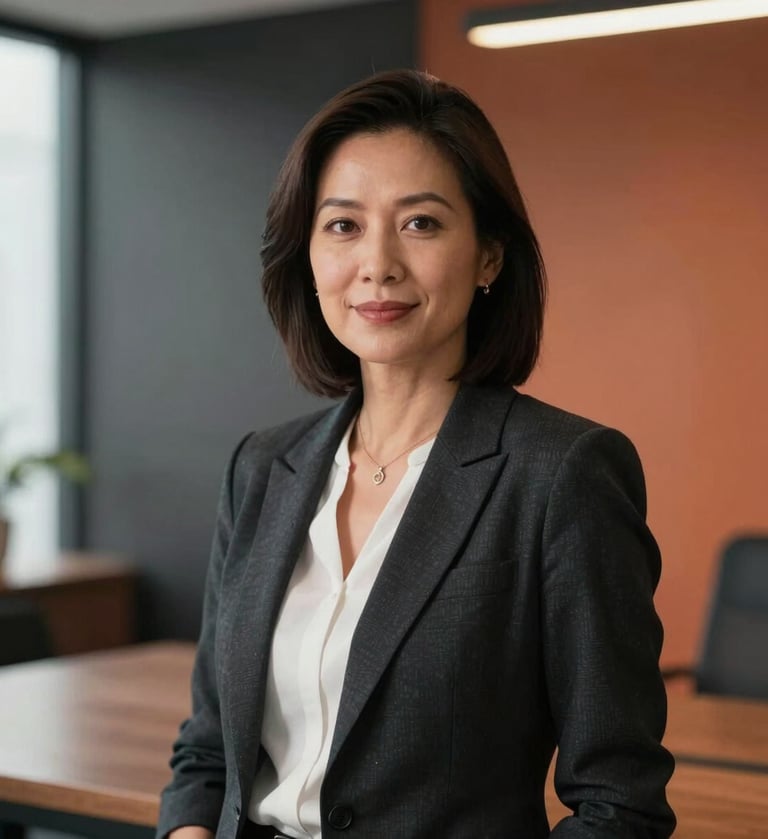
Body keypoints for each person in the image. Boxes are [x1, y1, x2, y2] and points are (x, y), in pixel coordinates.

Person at [157, 69, 675, 839]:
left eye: (421, 223)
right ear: (307, 253)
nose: (378, 263)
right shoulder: (263, 468)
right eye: (342, 225)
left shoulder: (561, 474)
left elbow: (619, 803)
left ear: (490, 255)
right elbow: (206, 754)